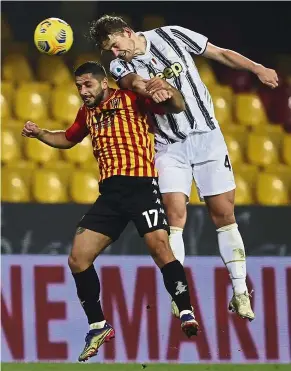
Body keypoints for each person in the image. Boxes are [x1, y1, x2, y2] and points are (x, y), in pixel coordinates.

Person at [88, 15, 279, 322]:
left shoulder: (172, 35)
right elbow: (132, 82)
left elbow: (218, 53)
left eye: (115, 45)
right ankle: (181, 297)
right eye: (108, 49)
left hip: (208, 137)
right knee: (174, 214)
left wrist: (256, 68)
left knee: (224, 215)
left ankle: (241, 292)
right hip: (168, 145)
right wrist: (151, 89)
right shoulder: (117, 66)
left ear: (127, 32)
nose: (114, 52)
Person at [21, 61, 199, 362]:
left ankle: (185, 311)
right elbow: (67, 138)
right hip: (110, 196)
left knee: (159, 247)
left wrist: (165, 92)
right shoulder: (86, 114)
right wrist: (40, 134)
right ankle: (99, 325)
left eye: (88, 84)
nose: (82, 91)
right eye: (78, 86)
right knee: (77, 259)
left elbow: (176, 106)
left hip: (141, 187)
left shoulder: (132, 99)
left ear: (104, 83)